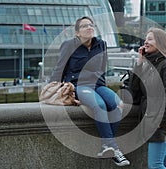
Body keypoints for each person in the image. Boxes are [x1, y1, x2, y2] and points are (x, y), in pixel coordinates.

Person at [49, 16, 130, 167]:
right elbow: (59, 70)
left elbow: (102, 69)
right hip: (79, 85)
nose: (90, 28)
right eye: (85, 26)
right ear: (77, 33)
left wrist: (103, 88)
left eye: (91, 25)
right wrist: (52, 91)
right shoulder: (68, 45)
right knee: (99, 105)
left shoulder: (101, 45)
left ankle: (106, 145)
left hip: (98, 85)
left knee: (118, 105)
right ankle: (114, 149)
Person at [129, 27, 166, 169]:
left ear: (161, 43)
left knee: (155, 165)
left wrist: (162, 122)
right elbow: (134, 91)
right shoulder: (149, 65)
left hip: (159, 121)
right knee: (162, 162)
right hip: (149, 119)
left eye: (150, 39)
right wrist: (139, 62)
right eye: (146, 39)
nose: (146, 42)